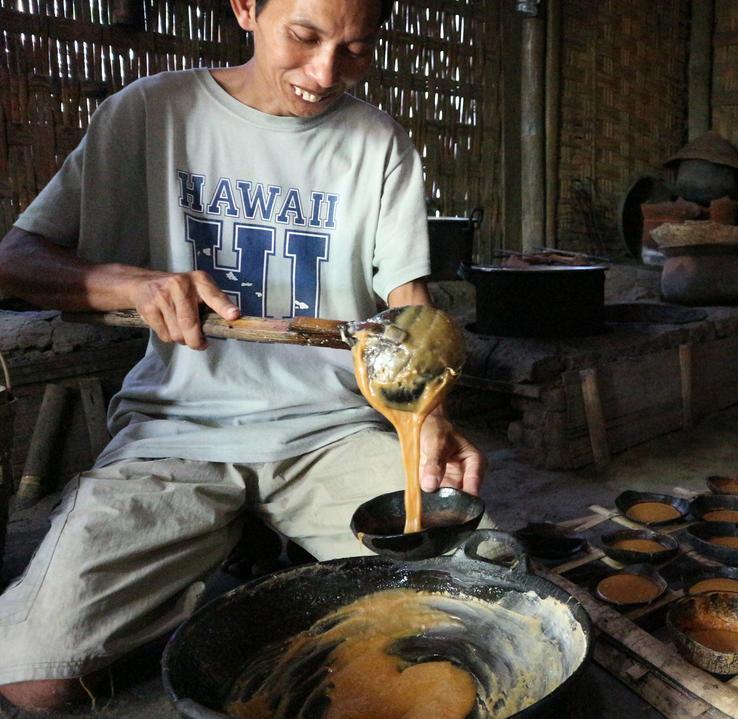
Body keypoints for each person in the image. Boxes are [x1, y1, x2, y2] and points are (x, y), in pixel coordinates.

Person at [0, 0, 486, 712]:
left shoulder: (377, 142)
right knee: (34, 679)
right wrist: (133, 283)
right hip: (178, 430)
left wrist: (433, 415)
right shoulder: (150, 114)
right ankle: (228, 576)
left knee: (473, 606)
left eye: (354, 49)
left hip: (333, 429)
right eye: (305, 35)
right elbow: (15, 260)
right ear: (246, 8)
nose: (326, 73)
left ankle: (251, 565)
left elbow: (409, 309)